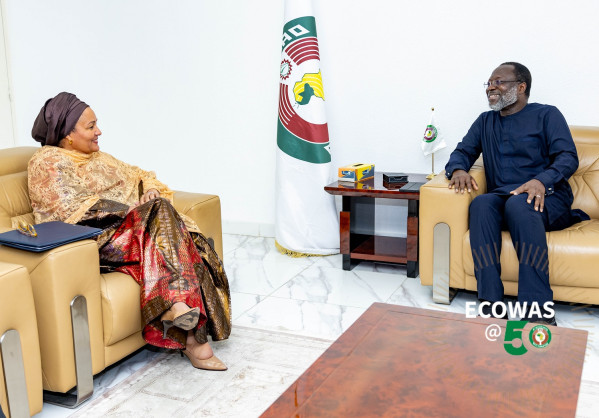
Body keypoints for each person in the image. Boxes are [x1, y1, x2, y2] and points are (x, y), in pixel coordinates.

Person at [28, 92, 231, 370]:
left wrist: (149, 192)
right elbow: (69, 210)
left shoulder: (99, 157)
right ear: (67, 135)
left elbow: (140, 174)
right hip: (97, 240)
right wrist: (133, 209)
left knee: (161, 217)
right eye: (90, 126)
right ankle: (191, 335)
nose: (99, 131)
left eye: (97, 124)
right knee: (163, 222)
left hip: (134, 230)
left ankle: (180, 313)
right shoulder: (47, 161)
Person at [444, 62, 589, 326]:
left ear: (521, 87)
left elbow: (568, 157)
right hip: (504, 198)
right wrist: (458, 170)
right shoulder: (485, 121)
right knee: (481, 205)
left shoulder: (547, 115)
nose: (491, 87)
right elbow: (462, 151)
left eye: (498, 82)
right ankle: (491, 303)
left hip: (547, 198)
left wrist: (541, 181)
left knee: (520, 206)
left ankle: (537, 309)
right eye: (489, 83)